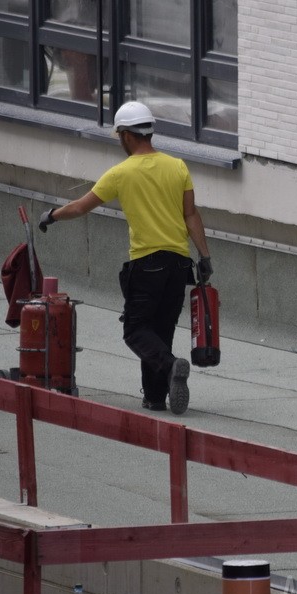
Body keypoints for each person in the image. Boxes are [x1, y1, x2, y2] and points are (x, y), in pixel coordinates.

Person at [37, 101, 212, 415]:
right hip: (179, 264)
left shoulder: (121, 173)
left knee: (135, 330)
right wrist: (205, 257)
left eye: (119, 135)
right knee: (161, 331)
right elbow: (191, 215)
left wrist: (52, 215)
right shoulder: (178, 167)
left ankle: (172, 367)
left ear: (128, 135)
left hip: (147, 263)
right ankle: (156, 398)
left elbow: (80, 206)